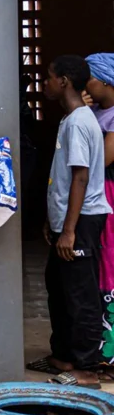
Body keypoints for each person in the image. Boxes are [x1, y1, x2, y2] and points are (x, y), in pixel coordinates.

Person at [35, 55, 110, 388]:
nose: (45, 84)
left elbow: (80, 176)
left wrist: (68, 230)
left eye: (48, 78)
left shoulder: (80, 121)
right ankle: (63, 354)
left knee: (81, 294)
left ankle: (87, 367)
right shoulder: (73, 118)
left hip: (81, 222)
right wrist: (54, 222)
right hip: (66, 221)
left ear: (64, 81)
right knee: (59, 287)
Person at [84, 53, 114, 369]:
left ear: (105, 81)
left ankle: (110, 353)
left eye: (89, 78)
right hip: (99, 198)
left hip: (109, 197)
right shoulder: (95, 112)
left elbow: (102, 160)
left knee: (111, 266)